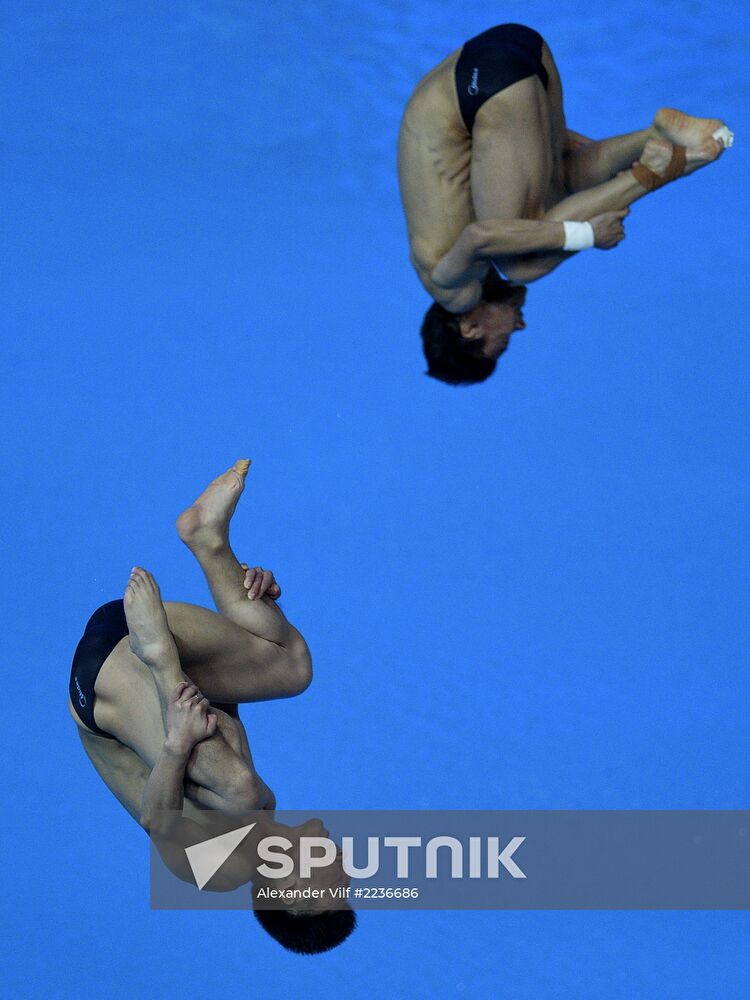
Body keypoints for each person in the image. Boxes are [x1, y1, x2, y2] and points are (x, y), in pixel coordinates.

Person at [68, 459, 355, 954]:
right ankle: (209, 540)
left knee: (238, 788)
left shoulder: (221, 873)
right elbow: (224, 707)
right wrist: (258, 608)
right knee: (292, 668)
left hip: (102, 680)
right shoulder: (264, 808)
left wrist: (177, 743)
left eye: (337, 882)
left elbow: (156, 820)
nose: (344, 861)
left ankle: (158, 658)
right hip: (135, 637)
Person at [397, 22, 733, 384]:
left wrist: (587, 235)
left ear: (470, 329)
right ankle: (657, 136)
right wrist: (593, 164)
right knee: (556, 195)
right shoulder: (459, 252)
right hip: (516, 45)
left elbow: (480, 236)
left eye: (505, 340)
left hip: (483, 86)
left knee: (523, 261)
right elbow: (534, 153)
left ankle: (656, 171)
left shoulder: (452, 290)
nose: (521, 326)